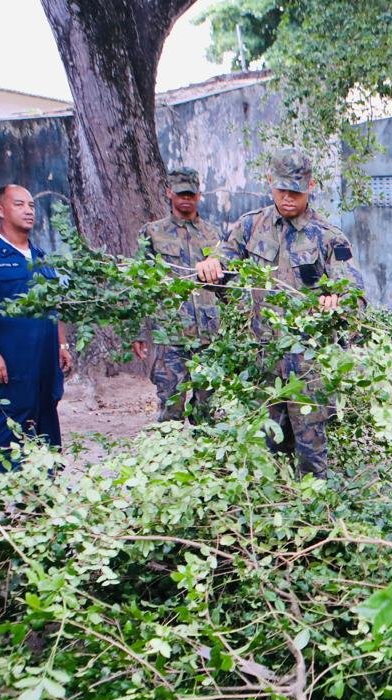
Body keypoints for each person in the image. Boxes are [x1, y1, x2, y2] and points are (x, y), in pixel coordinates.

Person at [195, 148, 363, 478]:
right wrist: (211, 267)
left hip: (308, 368)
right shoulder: (248, 227)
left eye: (296, 191)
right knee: (263, 451)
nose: (288, 198)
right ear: (270, 182)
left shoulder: (330, 238)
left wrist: (337, 303)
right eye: (282, 189)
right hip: (263, 362)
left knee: (311, 454)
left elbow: (355, 298)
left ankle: (313, 508)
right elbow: (223, 265)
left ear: (311, 186)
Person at [0, 184, 72, 470]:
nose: (28, 211)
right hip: (12, 360)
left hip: (46, 360)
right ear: (0, 210)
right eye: (19, 204)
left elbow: (54, 303)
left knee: (47, 415)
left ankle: (47, 484)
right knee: (13, 420)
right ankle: (19, 488)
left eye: (31, 205)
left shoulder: (40, 256)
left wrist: (61, 344)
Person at [132, 166, 223, 421]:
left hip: (208, 336)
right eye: (181, 193)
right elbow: (140, 284)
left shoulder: (213, 234)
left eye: (191, 194)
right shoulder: (152, 233)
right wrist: (138, 332)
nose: (186, 199)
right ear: (169, 192)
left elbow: (226, 285)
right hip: (171, 334)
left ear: (199, 195)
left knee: (207, 410)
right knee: (170, 407)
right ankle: (169, 446)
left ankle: (203, 448)